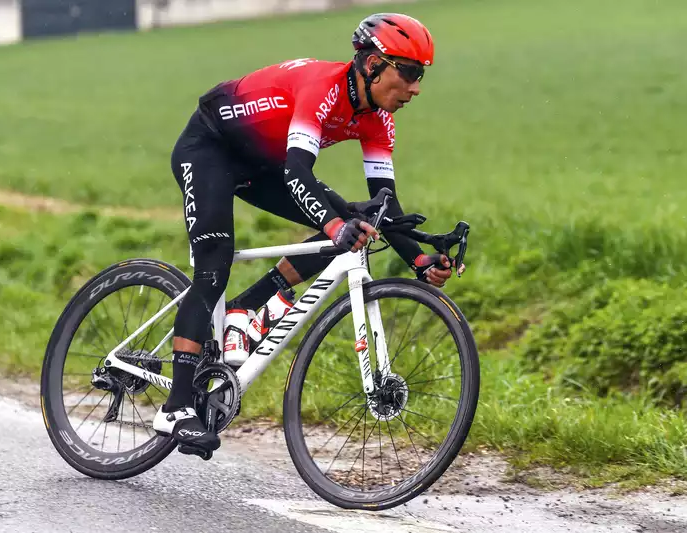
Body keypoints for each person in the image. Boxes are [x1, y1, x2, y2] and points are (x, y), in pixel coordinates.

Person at [153, 13, 459, 454]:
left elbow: (384, 203)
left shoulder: (378, 118)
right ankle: (176, 407)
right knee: (214, 265)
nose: (416, 88)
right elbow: (299, 171)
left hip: (263, 164)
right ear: (373, 64)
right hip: (211, 150)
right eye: (409, 73)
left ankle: (246, 308)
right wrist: (335, 223)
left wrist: (420, 260)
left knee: (350, 226)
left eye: (420, 76)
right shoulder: (325, 89)